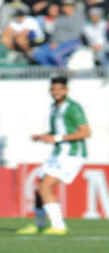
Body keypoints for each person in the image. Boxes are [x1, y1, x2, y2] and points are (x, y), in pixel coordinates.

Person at [17, 76, 90, 235]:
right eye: (54, 89)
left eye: (60, 89)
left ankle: (59, 226)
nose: (56, 92)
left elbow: (85, 132)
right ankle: (39, 224)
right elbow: (58, 132)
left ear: (66, 90)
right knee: (39, 189)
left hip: (72, 154)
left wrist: (55, 138)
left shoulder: (73, 108)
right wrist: (43, 136)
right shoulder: (54, 107)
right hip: (58, 154)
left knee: (45, 187)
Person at [32, 0, 84, 67]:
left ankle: (66, 73)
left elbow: (75, 34)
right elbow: (55, 33)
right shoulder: (61, 17)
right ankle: (53, 71)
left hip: (72, 42)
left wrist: (58, 43)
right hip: (55, 43)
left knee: (55, 55)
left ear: (73, 7)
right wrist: (53, 42)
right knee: (38, 54)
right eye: (64, 6)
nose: (65, 7)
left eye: (68, 6)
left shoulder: (79, 17)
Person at [83, 7, 108, 71]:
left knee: (101, 55)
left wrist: (102, 46)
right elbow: (85, 40)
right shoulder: (86, 27)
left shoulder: (105, 24)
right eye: (93, 15)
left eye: (97, 15)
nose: (95, 17)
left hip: (105, 46)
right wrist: (91, 45)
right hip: (92, 48)